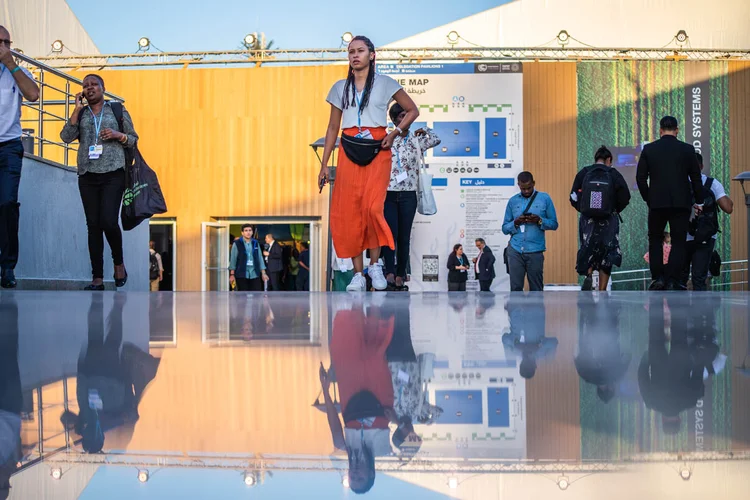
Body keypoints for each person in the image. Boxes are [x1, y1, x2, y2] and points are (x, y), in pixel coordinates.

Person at [318, 35, 419, 292]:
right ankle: (358, 273)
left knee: (373, 208)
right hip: (350, 148)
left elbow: (412, 110)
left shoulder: (385, 83)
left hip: (378, 148)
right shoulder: (340, 87)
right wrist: (323, 164)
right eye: (351, 51)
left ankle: (375, 265)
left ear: (371, 55)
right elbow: (332, 127)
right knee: (351, 211)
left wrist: (394, 133)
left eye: (360, 51)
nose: (354, 55)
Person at [60, 74, 138, 290]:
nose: (89, 88)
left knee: (108, 221)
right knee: (93, 226)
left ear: (103, 88)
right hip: (88, 174)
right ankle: (97, 278)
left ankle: (118, 263)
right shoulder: (83, 113)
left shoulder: (117, 110)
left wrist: (116, 134)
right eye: (85, 86)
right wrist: (76, 109)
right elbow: (66, 137)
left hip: (114, 172)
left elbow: (133, 138)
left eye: (94, 84)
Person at [319, 297, 397, 494]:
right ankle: (376, 296)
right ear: (371, 474)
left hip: (351, 396)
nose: (354, 474)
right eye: (360, 477)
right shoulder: (383, 449)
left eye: (352, 477)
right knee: (374, 349)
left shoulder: (343, 444)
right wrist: (396, 419)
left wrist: (326, 390)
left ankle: (355, 299)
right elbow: (408, 430)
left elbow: (333, 421)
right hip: (379, 398)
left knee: (344, 348)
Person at [635, 116, 704, 291]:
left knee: (655, 239)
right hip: (681, 203)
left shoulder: (649, 149)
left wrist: (648, 198)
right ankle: (673, 280)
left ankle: (658, 278)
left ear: (660, 130)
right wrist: (700, 201)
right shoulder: (688, 150)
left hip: (657, 203)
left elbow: (640, 178)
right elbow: (696, 178)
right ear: (677, 130)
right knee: (679, 241)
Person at [382, 103, 441, 291]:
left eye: (407, 115)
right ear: (394, 120)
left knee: (404, 237)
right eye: (401, 116)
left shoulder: (416, 141)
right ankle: (389, 271)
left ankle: (401, 274)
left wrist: (424, 130)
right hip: (388, 193)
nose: (405, 119)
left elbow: (436, 139)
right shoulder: (388, 138)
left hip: (408, 194)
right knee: (389, 234)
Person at [0, 27, 40, 289]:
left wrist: (9, 63)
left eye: (7, 42)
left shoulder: (17, 71)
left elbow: (34, 95)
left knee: (7, 204)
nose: (3, 45)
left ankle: (7, 268)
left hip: (9, 147)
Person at [570, 145, 631, 291]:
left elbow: (572, 197)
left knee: (588, 248)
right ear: (609, 159)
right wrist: (614, 210)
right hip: (609, 220)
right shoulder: (613, 173)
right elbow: (626, 196)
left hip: (588, 220)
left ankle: (589, 276)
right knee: (608, 252)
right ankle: (602, 289)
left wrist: (584, 210)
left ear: (595, 159)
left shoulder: (584, 172)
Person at [680, 153, 733, 291]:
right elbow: (728, 208)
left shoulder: (679, 184)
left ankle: (678, 311)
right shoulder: (712, 184)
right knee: (699, 278)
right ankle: (700, 311)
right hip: (706, 236)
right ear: (702, 166)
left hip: (683, 236)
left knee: (680, 278)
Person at [502, 172, 558, 292]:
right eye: (523, 188)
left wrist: (539, 220)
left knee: (536, 289)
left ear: (534, 183)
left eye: (529, 188)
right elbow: (505, 228)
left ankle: (537, 311)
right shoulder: (513, 201)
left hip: (535, 251)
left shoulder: (545, 198)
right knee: (516, 288)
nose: (526, 191)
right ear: (518, 185)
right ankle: (515, 311)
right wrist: (516, 222)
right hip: (515, 249)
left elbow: (554, 224)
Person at [0, 296, 21, 498]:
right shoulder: (12, 463)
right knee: (8, 357)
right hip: (11, 409)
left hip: (9, 410)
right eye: (5, 485)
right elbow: (18, 444)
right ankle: (8, 311)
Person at [229, 224, 268, 291]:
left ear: (252, 232)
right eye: (246, 230)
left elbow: (260, 258)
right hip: (241, 274)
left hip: (255, 273)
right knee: (242, 297)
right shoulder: (237, 243)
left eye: (250, 230)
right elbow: (233, 259)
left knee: (256, 295)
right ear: (242, 233)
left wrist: (263, 273)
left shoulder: (255, 243)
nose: (248, 232)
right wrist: (232, 274)